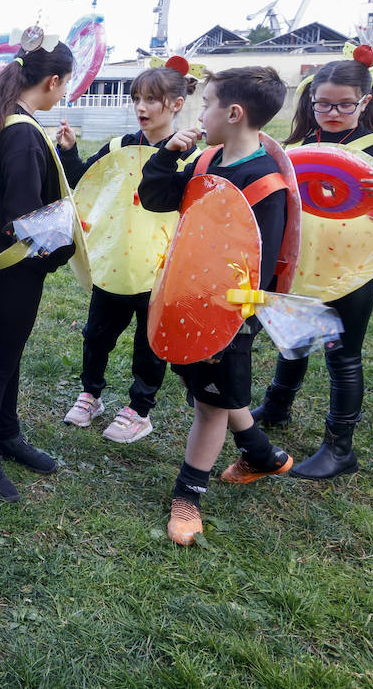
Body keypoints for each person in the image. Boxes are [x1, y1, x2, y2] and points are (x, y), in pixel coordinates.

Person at [252, 53, 373, 479]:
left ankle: (340, 449)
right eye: (324, 104)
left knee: (343, 357)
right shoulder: (298, 148)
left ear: (365, 102)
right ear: (310, 102)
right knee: (294, 339)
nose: (333, 113)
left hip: (350, 271)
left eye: (344, 105)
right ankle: (278, 406)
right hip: (301, 263)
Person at [138, 66, 295, 546]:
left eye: (205, 102)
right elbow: (155, 198)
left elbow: (259, 267)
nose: (199, 111)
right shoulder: (206, 161)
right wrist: (168, 156)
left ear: (233, 112)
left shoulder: (267, 185)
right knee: (218, 390)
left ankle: (188, 497)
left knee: (210, 405)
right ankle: (262, 455)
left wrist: (224, 324)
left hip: (225, 315)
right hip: (186, 295)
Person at [0, 38, 84, 502]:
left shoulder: (9, 121)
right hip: (14, 267)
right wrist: (60, 253)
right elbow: (25, 219)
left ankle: (7, 434)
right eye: (65, 83)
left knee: (6, 355)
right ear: (52, 81)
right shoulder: (23, 132)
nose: (63, 91)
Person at [57, 62, 196, 443]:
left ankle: (139, 409)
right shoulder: (119, 146)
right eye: (137, 98)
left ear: (176, 104)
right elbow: (83, 182)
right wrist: (69, 153)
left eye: (153, 99)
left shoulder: (191, 157)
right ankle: (91, 395)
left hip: (162, 269)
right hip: (115, 261)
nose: (142, 106)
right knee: (96, 335)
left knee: (150, 343)